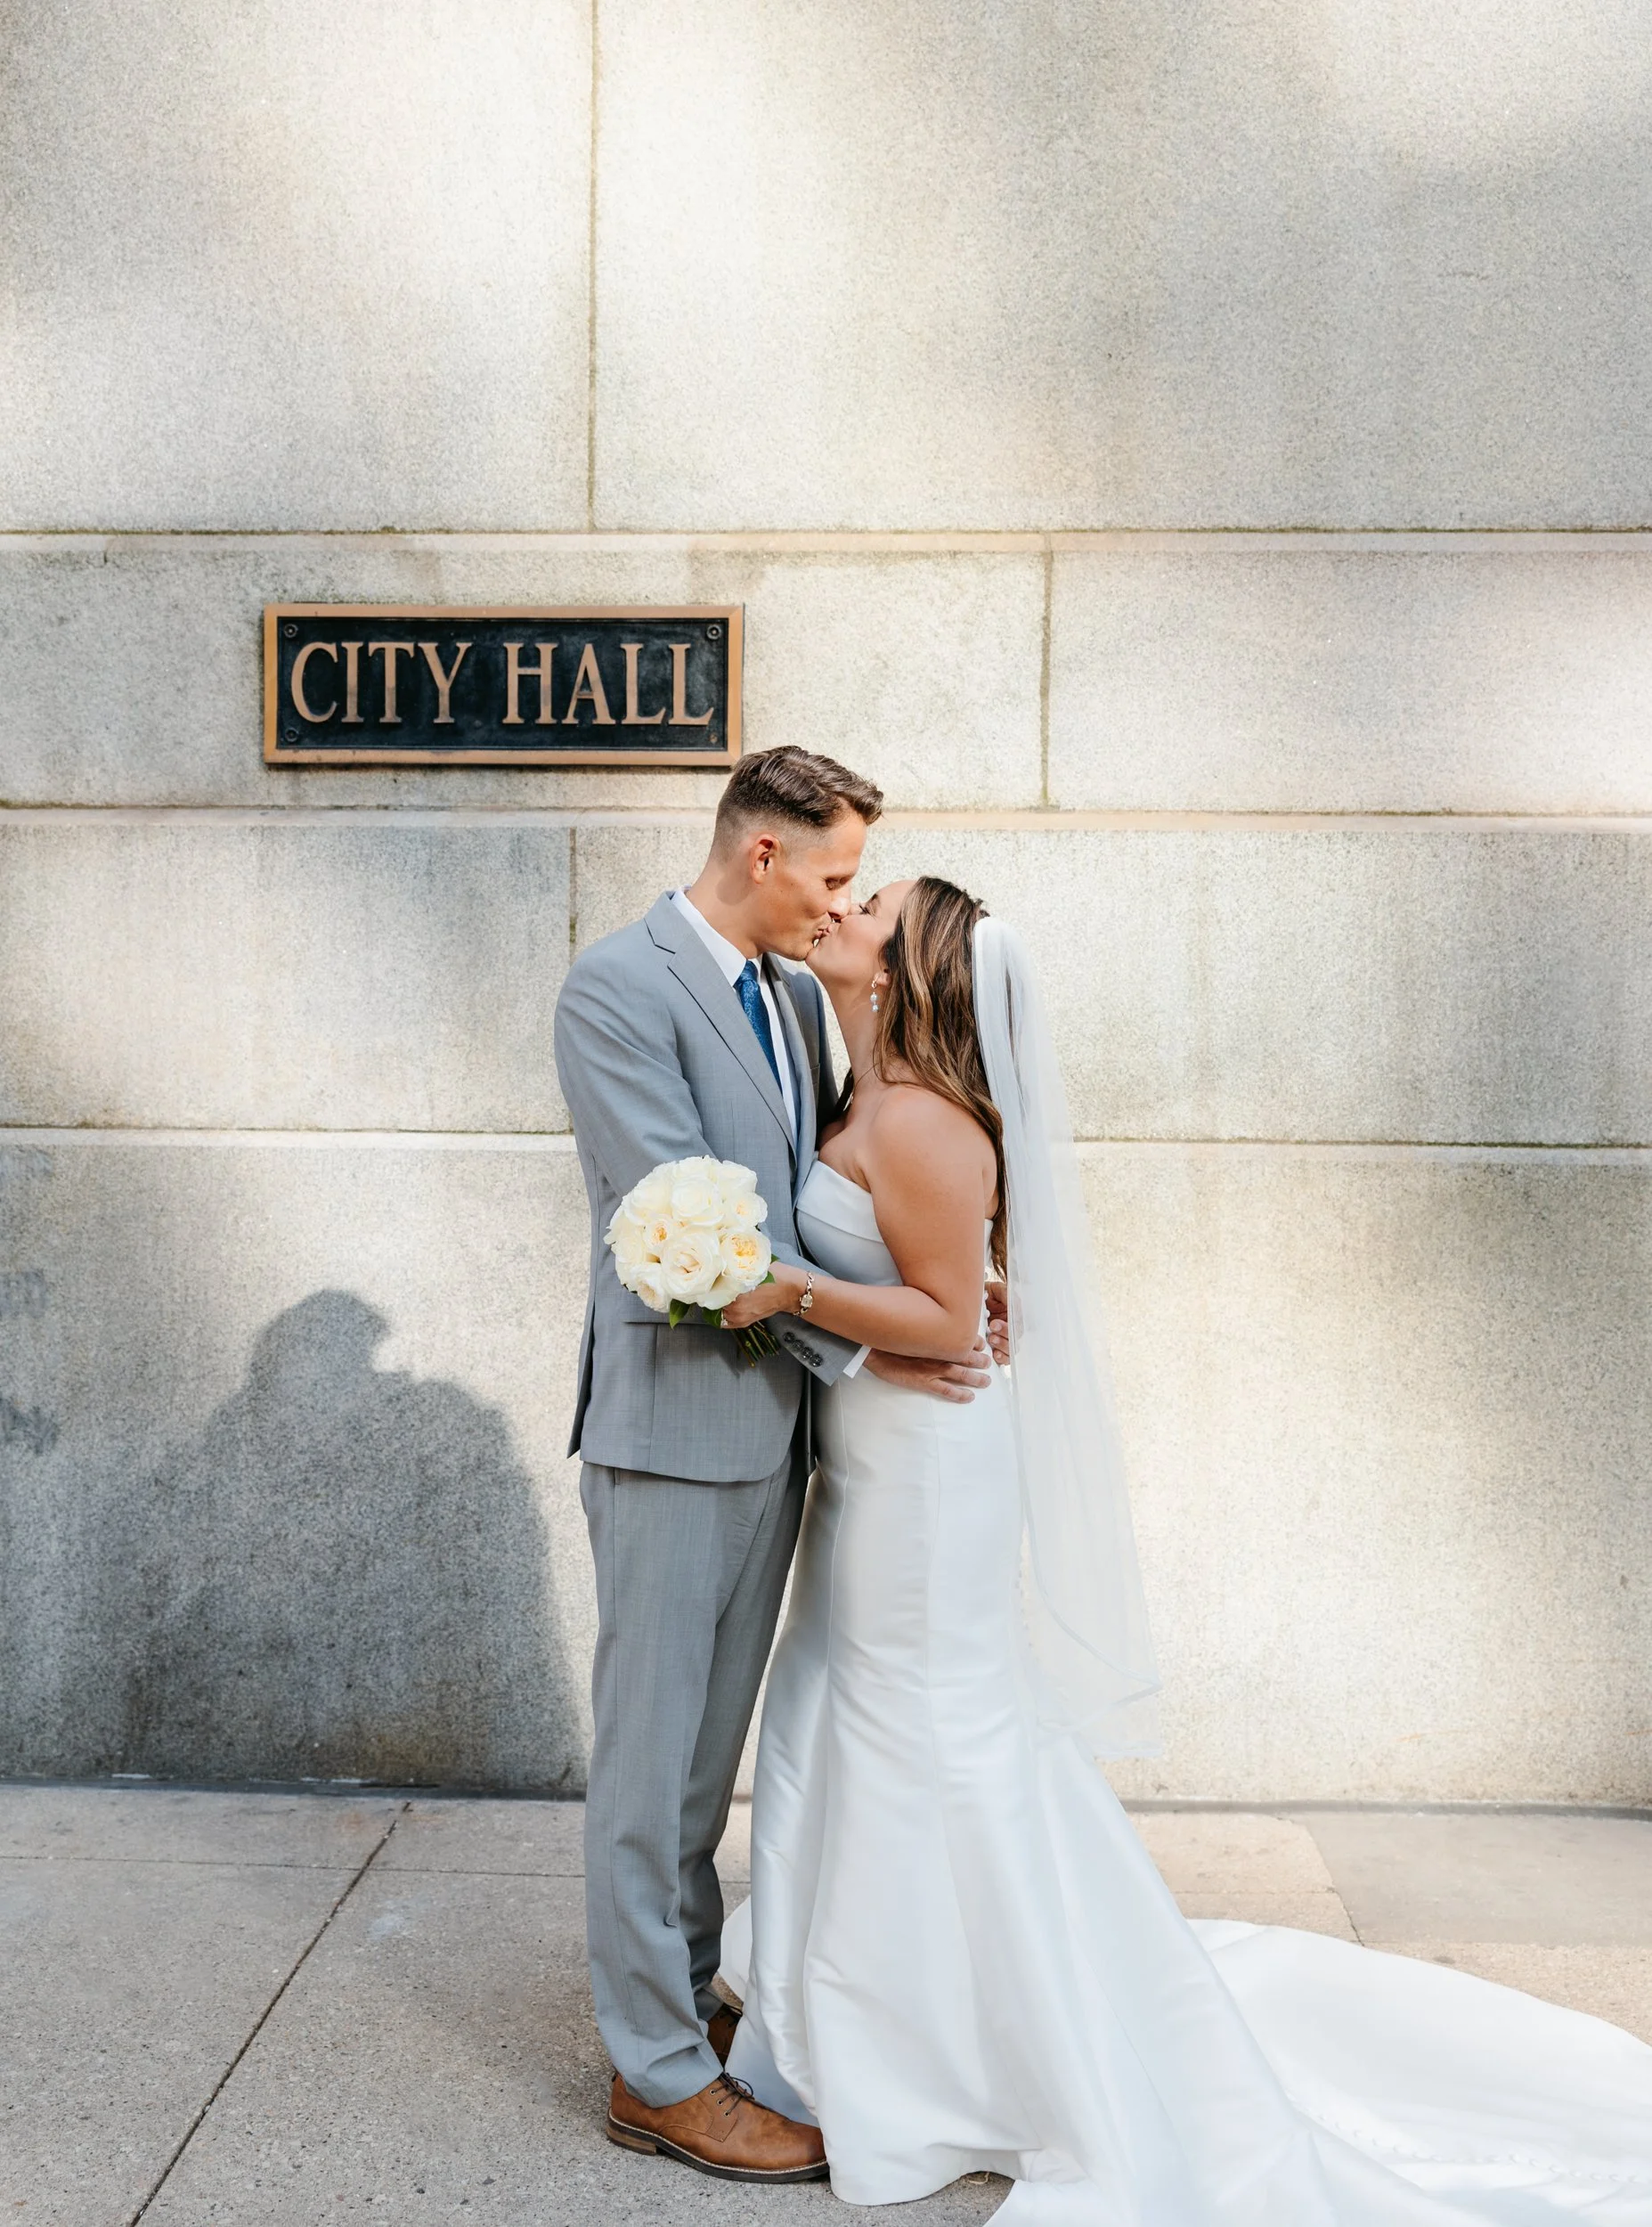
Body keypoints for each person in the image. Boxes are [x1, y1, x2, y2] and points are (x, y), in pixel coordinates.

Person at [716, 875, 1652, 2223]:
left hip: (924, 1484)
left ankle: (964, 2039)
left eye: (871, 905)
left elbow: (935, 1322)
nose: (843, 904)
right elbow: (953, 1296)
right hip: (880, 1465)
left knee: (927, 1730)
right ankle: (895, 2005)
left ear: (908, 970)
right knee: (858, 1712)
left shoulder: (920, 1122)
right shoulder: (864, 1095)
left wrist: (787, 1285)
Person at [552, 751, 1005, 2185]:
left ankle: (684, 1993)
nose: (839, 902)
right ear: (760, 855)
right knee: (649, 1759)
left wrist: (932, 1293)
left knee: (702, 1763)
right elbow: (679, 1229)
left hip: (780, 1437)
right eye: (827, 875)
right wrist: (880, 1344)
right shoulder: (620, 987)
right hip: (677, 1429)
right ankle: (657, 2074)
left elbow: (819, 1196)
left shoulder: (790, 994)